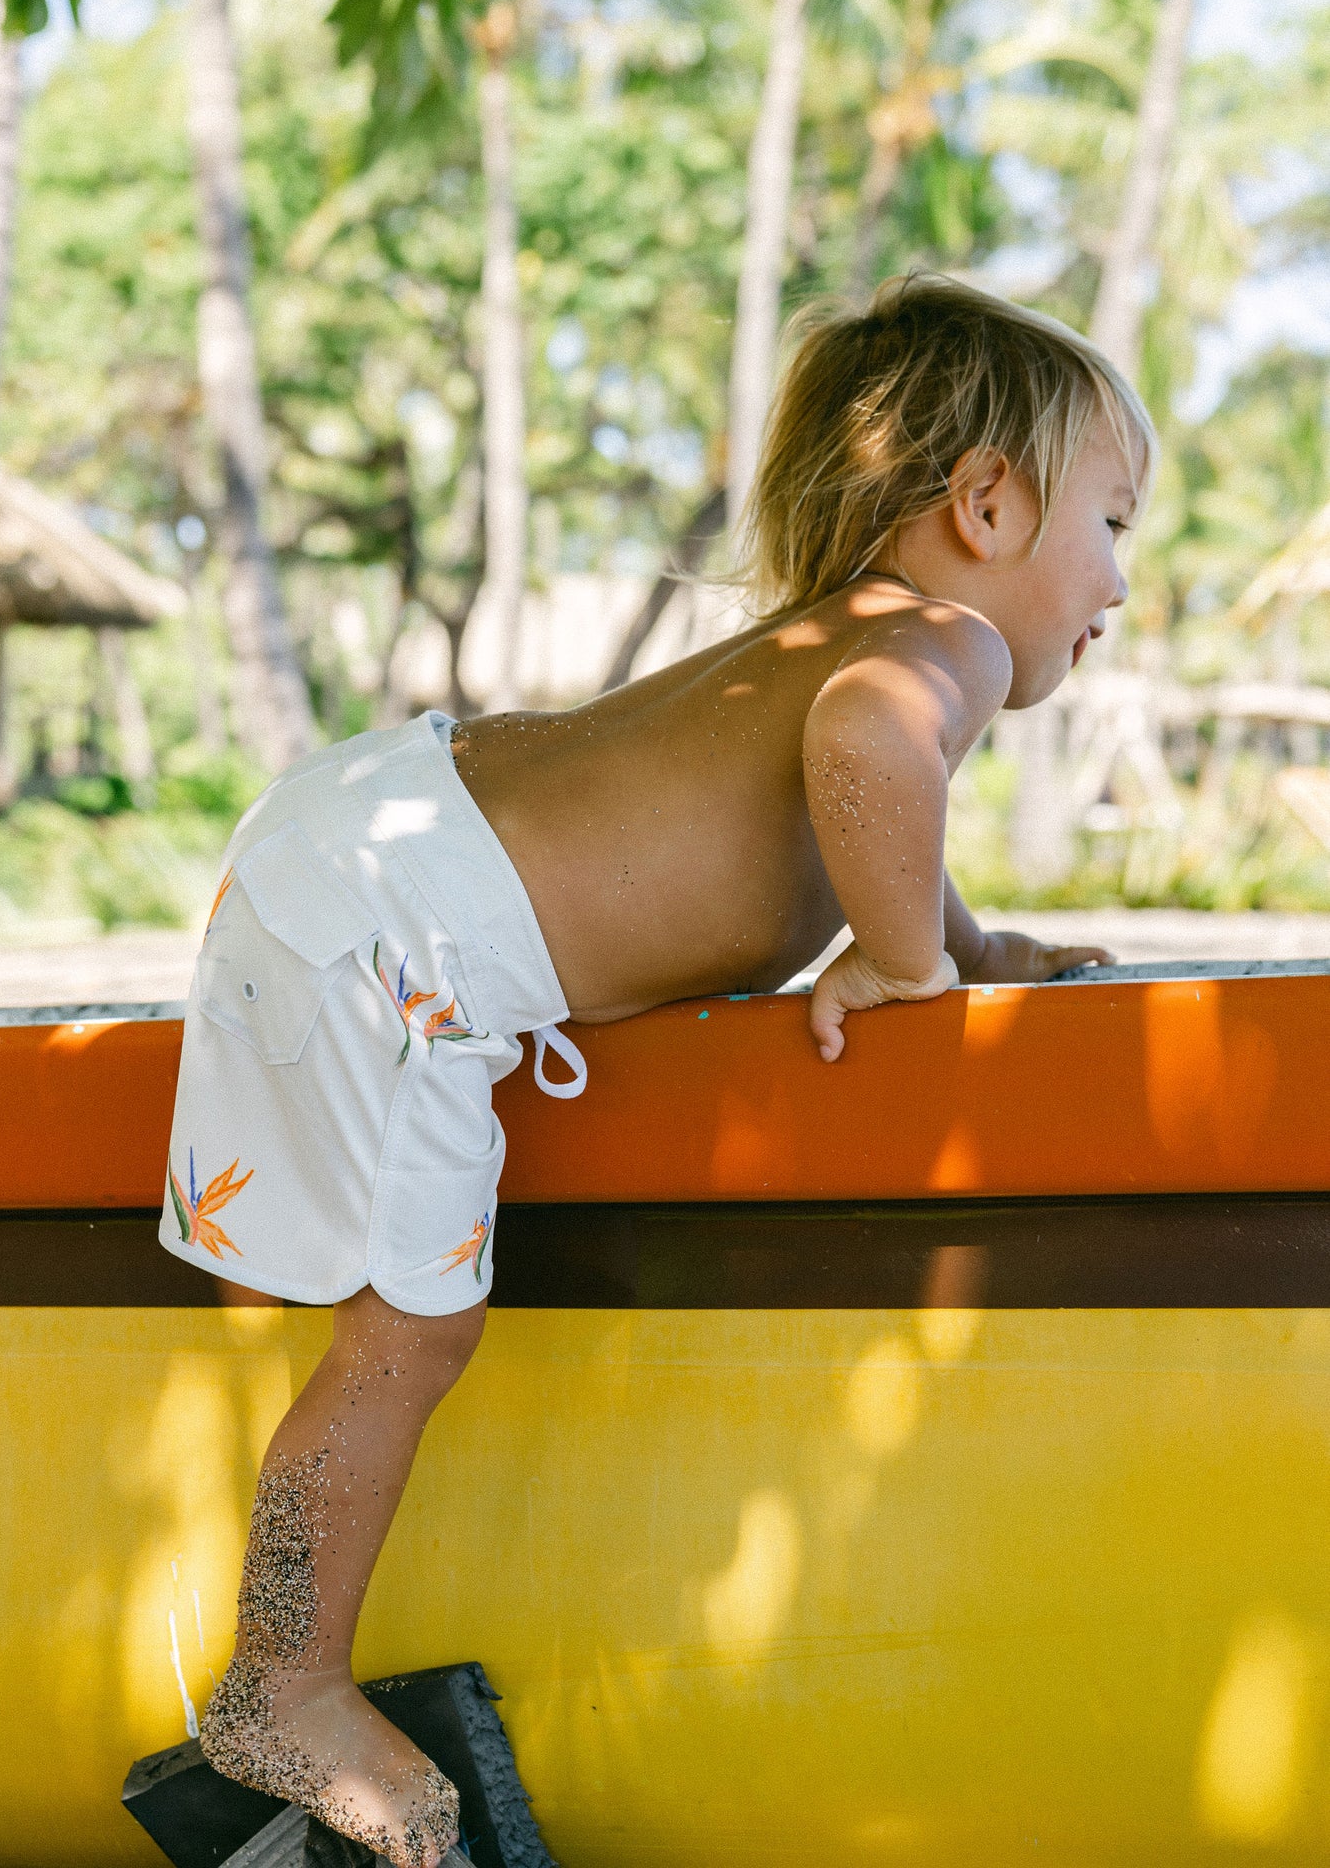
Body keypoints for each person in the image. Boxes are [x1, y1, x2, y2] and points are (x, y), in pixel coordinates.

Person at [161, 274, 1154, 1863]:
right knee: (408, 1338)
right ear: (985, 506)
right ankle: (279, 1681)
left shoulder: (836, 636)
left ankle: (283, 1671)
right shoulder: (940, 642)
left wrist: (969, 949)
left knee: (399, 1322)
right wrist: (903, 972)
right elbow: (863, 755)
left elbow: (853, 804)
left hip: (382, 842)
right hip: (397, 927)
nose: (1121, 578)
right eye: (1113, 522)